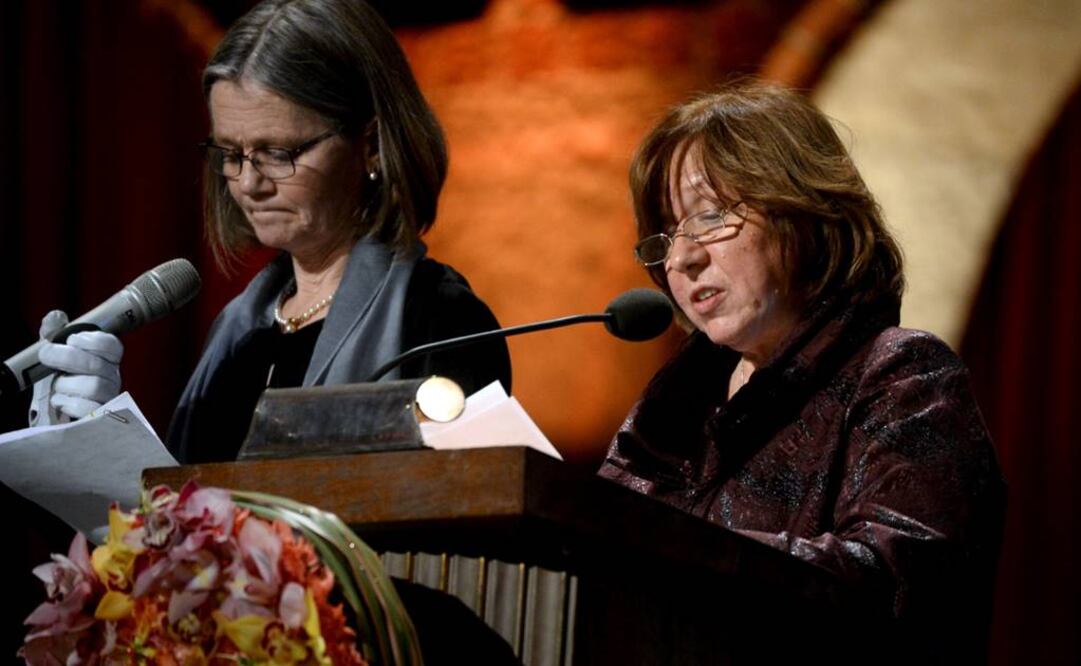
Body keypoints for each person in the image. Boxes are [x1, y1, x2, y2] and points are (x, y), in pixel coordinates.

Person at [598, 80, 1005, 663]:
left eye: (710, 216)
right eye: (665, 235)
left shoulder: (901, 376)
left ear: (804, 211)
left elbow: (895, 587)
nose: (682, 257)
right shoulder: (669, 413)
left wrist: (676, 553)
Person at [31, 0, 511, 465]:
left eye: (278, 153)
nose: (248, 183)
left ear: (370, 146)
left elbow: (477, 521)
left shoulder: (443, 323)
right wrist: (100, 441)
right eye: (231, 154)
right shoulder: (237, 333)